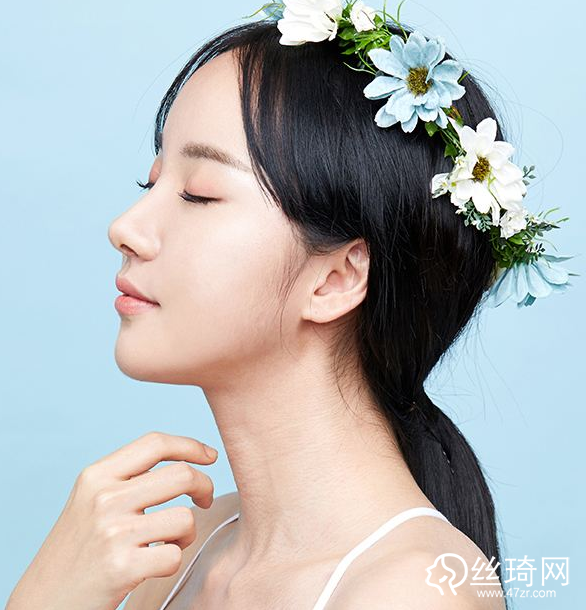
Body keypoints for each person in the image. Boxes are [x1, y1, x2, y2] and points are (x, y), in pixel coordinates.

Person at [8, 10, 528, 610]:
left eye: (198, 194)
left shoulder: (407, 592)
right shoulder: (177, 554)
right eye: (150, 185)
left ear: (335, 278)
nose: (125, 228)